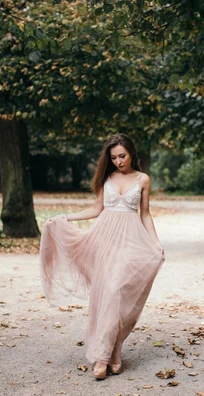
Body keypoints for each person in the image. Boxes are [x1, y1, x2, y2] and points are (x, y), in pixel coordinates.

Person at [40, 133, 165, 380]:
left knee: (117, 291)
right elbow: (97, 209)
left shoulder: (142, 179)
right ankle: (106, 355)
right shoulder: (106, 177)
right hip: (104, 240)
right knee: (107, 292)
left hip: (130, 241)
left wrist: (155, 243)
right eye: (114, 157)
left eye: (123, 156)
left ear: (132, 154)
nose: (119, 161)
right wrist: (67, 218)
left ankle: (110, 351)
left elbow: (146, 215)